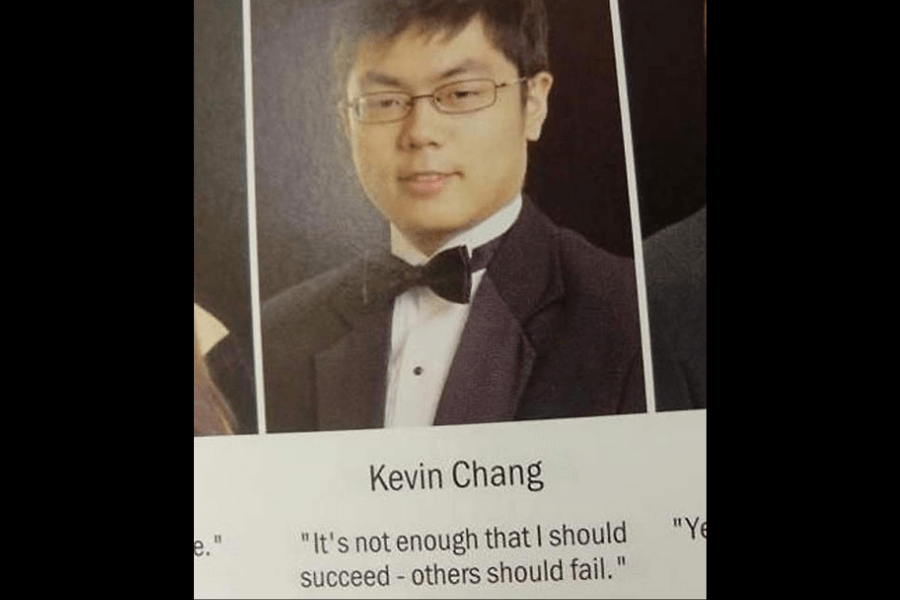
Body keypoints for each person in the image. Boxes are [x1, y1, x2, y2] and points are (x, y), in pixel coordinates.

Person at [262, 0, 645, 432]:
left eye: (461, 94)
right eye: (385, 101)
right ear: (345, 122)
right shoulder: (273, 335)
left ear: (533, 102)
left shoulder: (634, 318)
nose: (420, 133)